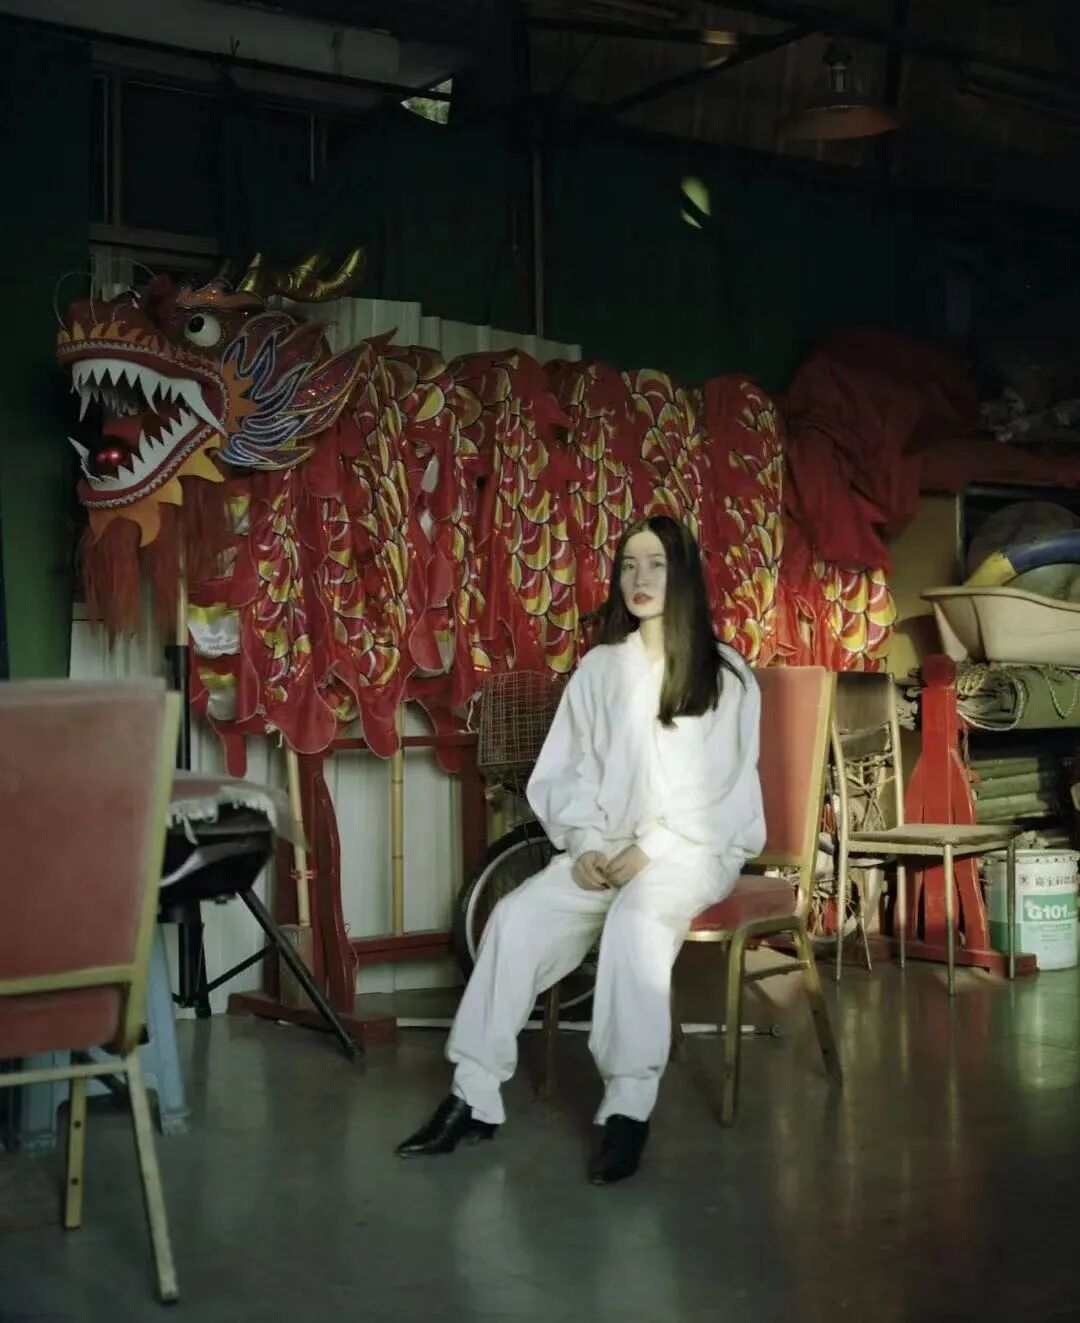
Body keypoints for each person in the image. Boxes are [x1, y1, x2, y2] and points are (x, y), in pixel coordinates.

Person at [396, 514, 765, 1184]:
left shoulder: (724, 673)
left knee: (635, 921)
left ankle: (627, 1109)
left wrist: (651, 848)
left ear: (684, 574)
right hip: (606, 846)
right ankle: (472, 1096)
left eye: (656, 564)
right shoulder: (599, 670)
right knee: (516, 918)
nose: (640, 578)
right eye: (629, 564)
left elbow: (718, 784)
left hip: (692, 848)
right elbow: (570, 770)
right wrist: (589, 843)